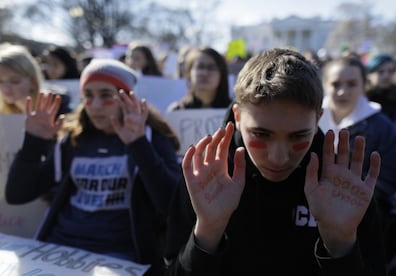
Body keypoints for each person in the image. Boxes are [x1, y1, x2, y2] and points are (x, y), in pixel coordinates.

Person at [163, 48, 386, 275]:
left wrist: (341, 245)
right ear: (238, 118)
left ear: (318, 118)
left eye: (298, 136)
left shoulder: (341, 182)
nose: (278, 157)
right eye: (261, 134)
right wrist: (207, 233)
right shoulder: (206, 175)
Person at [5, 58, 181, 276]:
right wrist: (33, 142)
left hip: (119, 256)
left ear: (127, 97)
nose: (95, 105)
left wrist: (138, 145)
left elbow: (172, 206)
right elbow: (17, 194)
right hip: (61, 248)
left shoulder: (151, 138)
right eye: (88, 96)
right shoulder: (74, 139)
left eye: (106, 95)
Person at [318, 56, 396, 267]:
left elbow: (390, 178)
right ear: (324, 84)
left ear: (363, 85)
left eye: (351, 84)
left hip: (367, 218)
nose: (342, 91)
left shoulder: (384, 129)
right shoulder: (310, 120)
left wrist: (347, 197)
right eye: (335, 84)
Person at [0, 43, 72, 115]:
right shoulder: (3, 112)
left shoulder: (58, 110)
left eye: (14, 81)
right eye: (0, 81)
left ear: (33, 82)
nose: (6, 87)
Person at [365, 53, 396, 141]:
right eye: (380, 72)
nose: (386, 76)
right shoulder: (363, 98)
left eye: (391, 71)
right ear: (369, 74)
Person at [167, 47, 232, 111]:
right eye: (200, 67)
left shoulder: (235, 111)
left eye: (211, 68)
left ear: (222, 74)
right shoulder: (177, 110)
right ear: (189, 73)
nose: (205, 73)